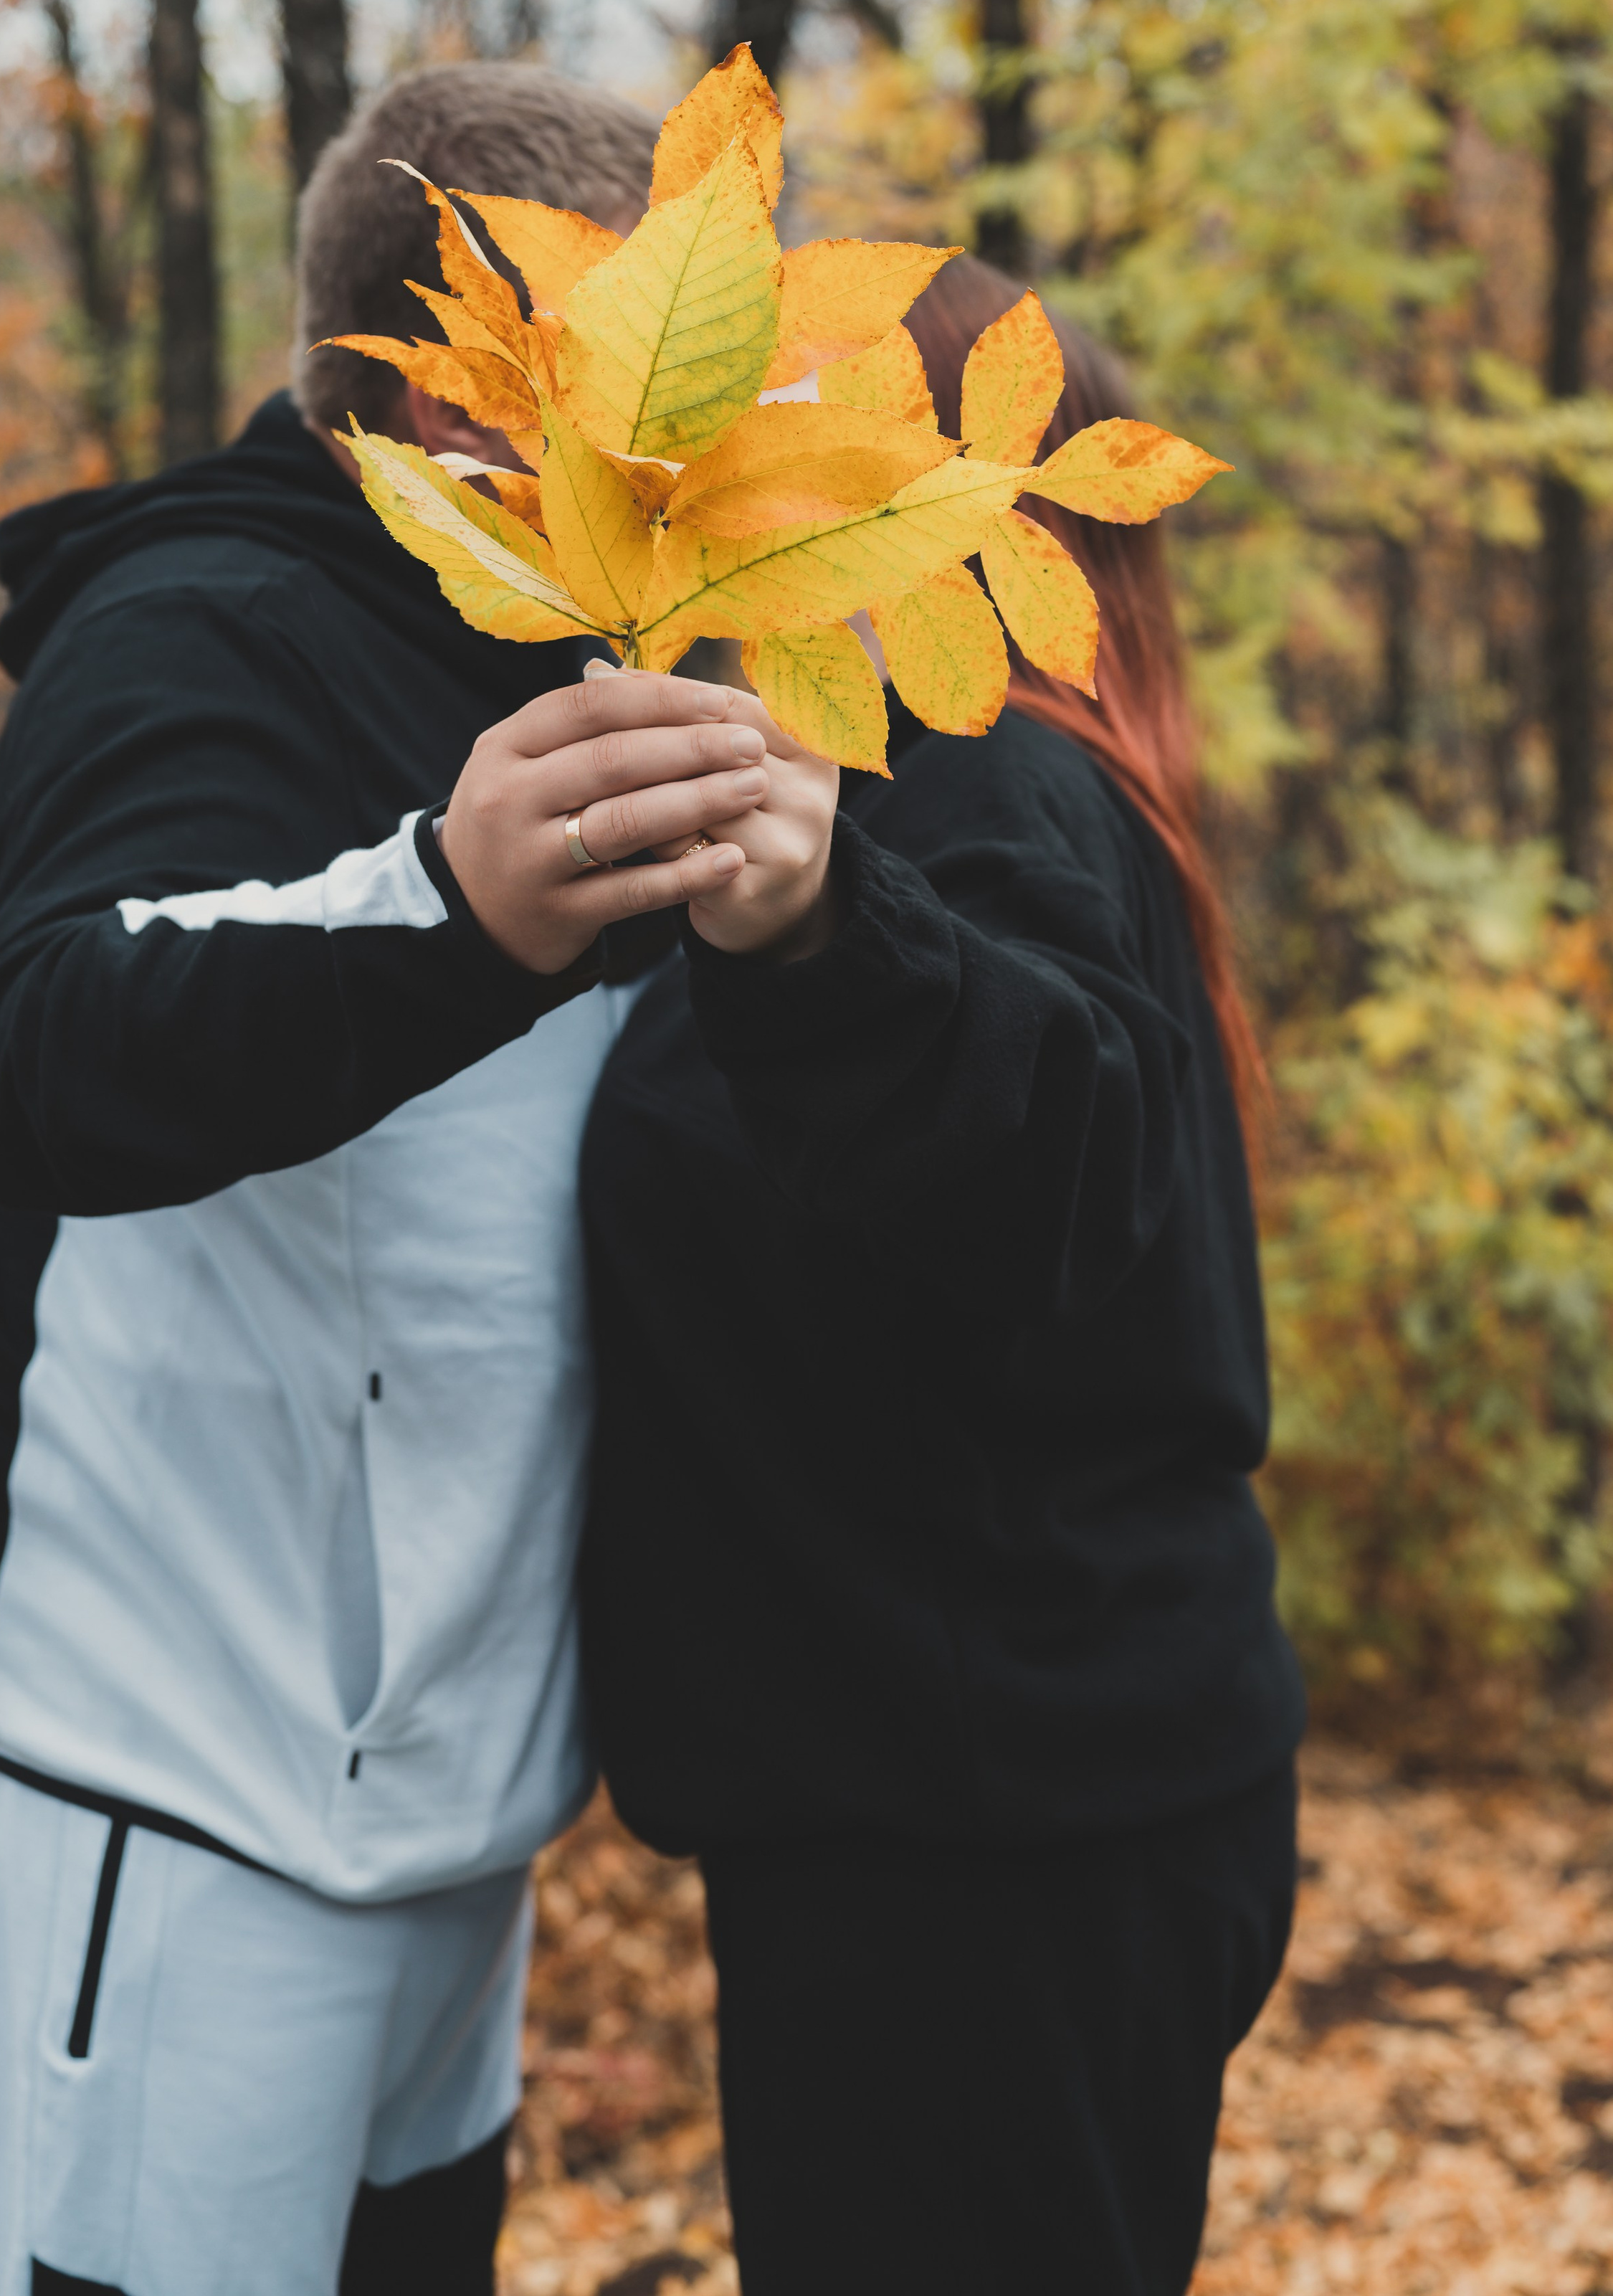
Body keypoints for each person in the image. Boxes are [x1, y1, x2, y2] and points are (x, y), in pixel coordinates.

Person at [0, 62, 785, 2296]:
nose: (676, 440)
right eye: (621, 363)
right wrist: (455, 906)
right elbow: (45, 1045)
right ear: (450, 376)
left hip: (447, 1811)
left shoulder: (577, 651)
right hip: (158, 1766)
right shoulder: (201, 620)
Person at [576, 254, 1308, 2295]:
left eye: (812, 439)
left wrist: (821, 936)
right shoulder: (960, 768)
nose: (759, 489)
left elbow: (1053, 1146)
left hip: (995, 1852)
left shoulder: (982, 769)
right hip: (998, 1808)